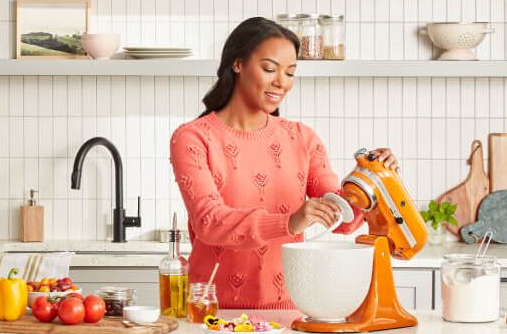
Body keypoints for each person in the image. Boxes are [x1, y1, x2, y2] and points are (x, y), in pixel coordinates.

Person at [169, 16, 396, 309]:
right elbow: (209, 222)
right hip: (213, 312)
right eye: (269, 69)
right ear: (237, 64)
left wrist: (372, 179)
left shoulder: (302, 138)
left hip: (290, 312)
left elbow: (344, 219)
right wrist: (289, 222)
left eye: (290, 73)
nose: (282, 82)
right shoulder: (193, 138)